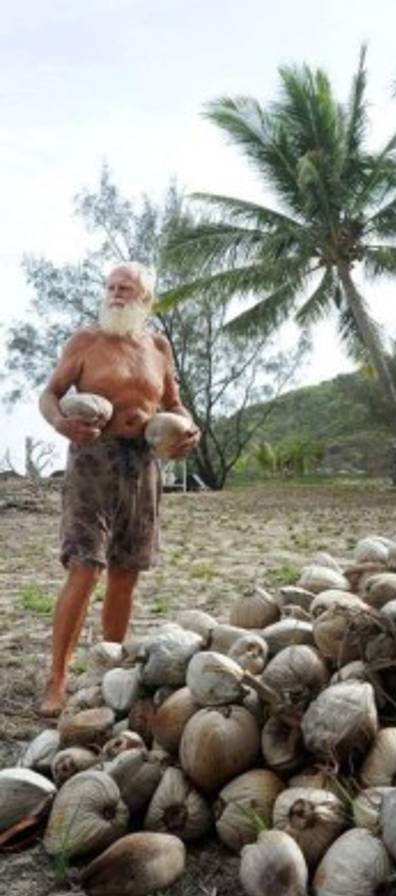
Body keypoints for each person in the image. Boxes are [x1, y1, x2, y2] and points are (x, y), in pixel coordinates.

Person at [38, 261, 200, 717]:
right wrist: (61, 423)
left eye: (125, 288)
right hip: (93, 460)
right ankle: (58, 679)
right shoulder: (85, 342)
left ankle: (109, 670)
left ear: (144, 299)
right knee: (85, 568)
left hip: (142, 464)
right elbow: (49, 394)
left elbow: (173, 404)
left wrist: (189, 431)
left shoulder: (158, 347)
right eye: (110, 286)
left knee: (125, 572)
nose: (115, 293)